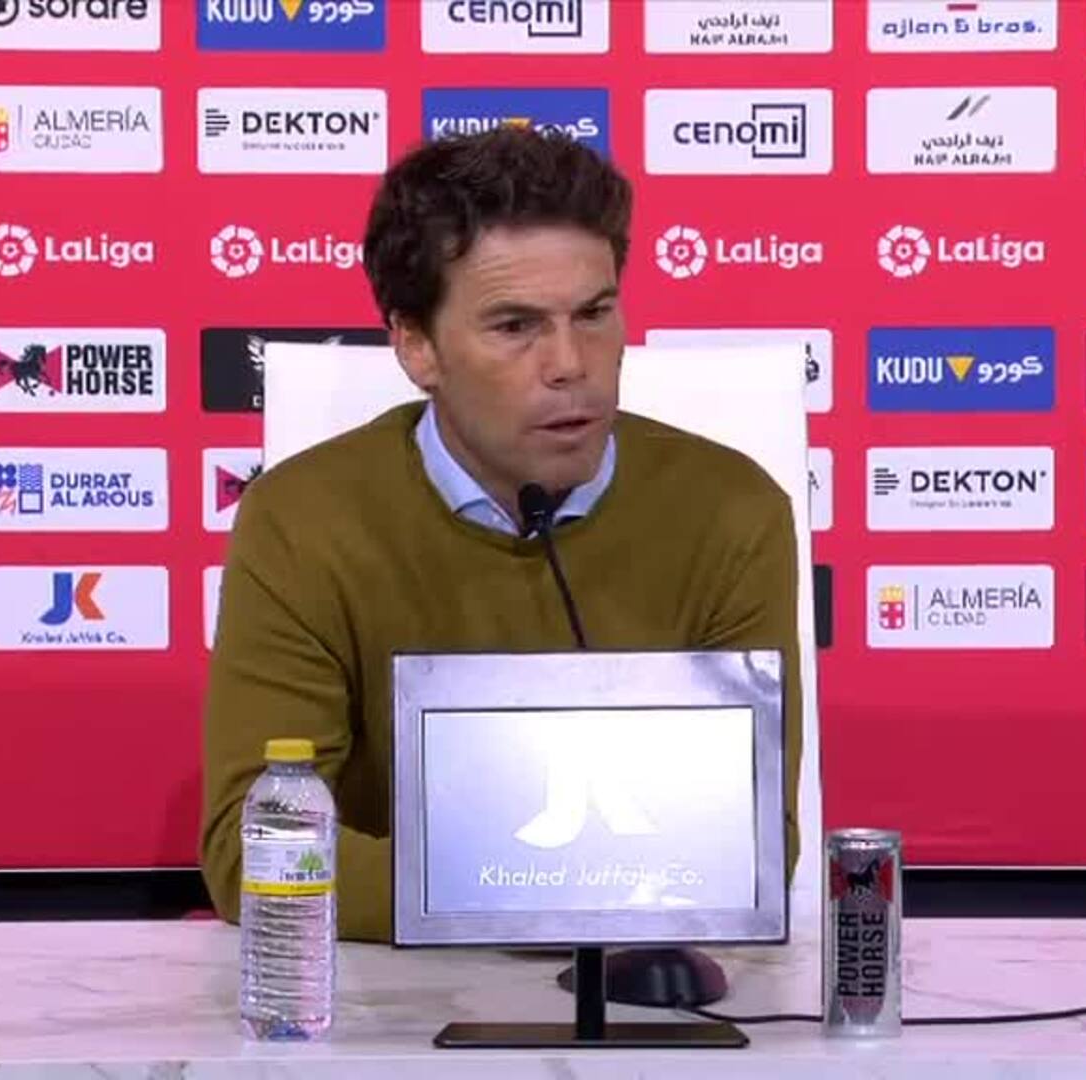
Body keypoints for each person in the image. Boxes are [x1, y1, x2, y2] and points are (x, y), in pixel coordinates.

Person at [200, 126, 803, 942]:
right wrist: (561, 887)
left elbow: (754, 848)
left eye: (595, 314)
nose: (570, 363)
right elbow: (257, 848)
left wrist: (497, 887)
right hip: (396, 998)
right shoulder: (301, 521)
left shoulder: (732, 512)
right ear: (416, 346)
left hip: (645, 983)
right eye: (516, 326)